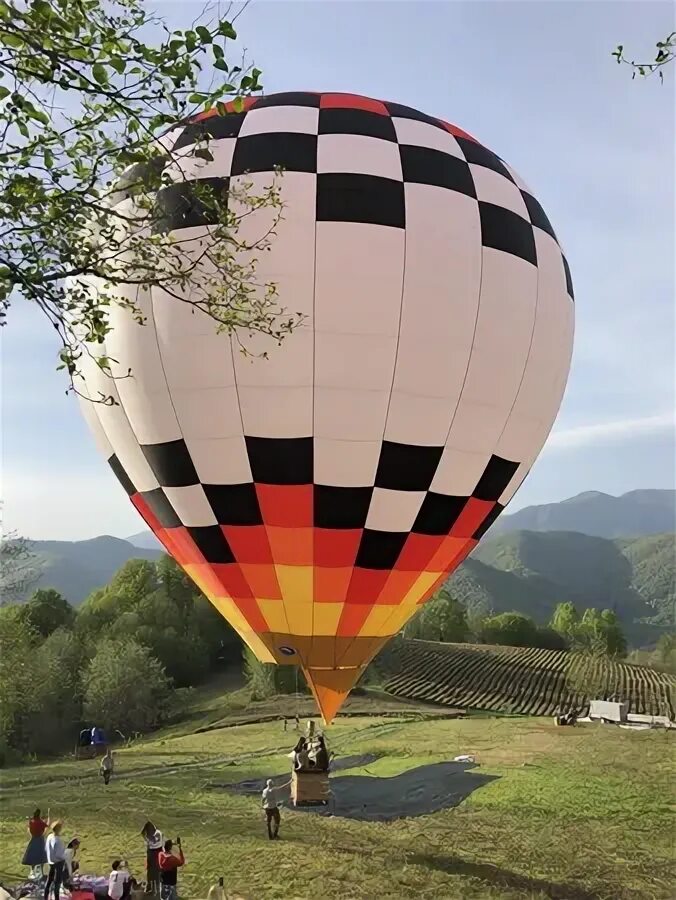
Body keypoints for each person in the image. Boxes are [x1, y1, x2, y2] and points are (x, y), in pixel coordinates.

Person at [22, 808, 49, 878]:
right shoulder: (40, 822)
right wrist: (49, 818)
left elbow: (29, 828)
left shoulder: (32, 822)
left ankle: (32, 871)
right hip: (40, 839)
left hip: (33, 839)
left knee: (33, 855)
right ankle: (42, 872)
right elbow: (46, 827)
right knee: (41, 855)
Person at [44, 821, 66, 900]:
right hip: (58, 862)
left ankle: (45, 897)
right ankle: (56, 898)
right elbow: (58, 854)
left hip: (51, 862)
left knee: (49, 880)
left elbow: (46, 848)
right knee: (57, 882)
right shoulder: (58, 840)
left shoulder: (50, 836)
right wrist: (65, 857)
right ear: (58, 829)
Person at [140, 821, 162, 896]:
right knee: (153, 870)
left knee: (153, 870)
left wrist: (147, 841)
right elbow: (143, 833)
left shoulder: (157, 833)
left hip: (154, 851)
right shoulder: (153, 833)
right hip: (153, 852)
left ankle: (153, 888)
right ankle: (152, 887)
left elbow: (155, 841)